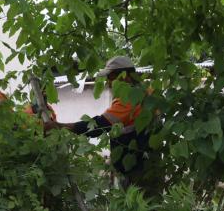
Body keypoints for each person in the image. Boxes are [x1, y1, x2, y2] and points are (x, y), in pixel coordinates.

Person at [48, 55, 153, 187]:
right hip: (148, 165)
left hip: (136, 172)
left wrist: (59, 126)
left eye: (110, 78)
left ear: (125, 76)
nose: (108, 83)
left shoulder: (129, 99)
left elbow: (99, 126)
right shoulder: (147, 91)